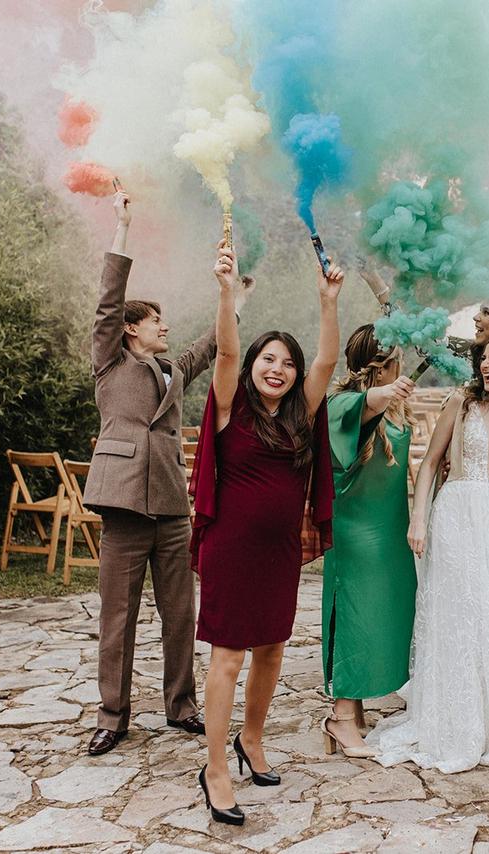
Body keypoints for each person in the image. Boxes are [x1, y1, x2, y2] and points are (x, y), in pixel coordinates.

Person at [83, 190, 247, 757]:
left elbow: (212, 348)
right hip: (124, 505)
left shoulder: (173, 369)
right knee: (118, 620)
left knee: (181, 615)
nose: (166, 330)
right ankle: (113, 716)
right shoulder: (110, 359)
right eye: (157, 324)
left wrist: (235, 296)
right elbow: (108, 301)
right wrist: (123, 226)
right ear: (132, 330)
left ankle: (181, 708)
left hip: (173, 507)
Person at [188, 244, 342, 824]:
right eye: (267, 359)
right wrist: (226, 292)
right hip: (231, 548)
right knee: (227, 658)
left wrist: (329, 303)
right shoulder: (231, 406)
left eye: (286, 362)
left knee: (273, 651)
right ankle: (216, 768)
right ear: (252, 365)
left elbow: (327, 362)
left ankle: (251, 740)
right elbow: (225, 347)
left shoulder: (302, 411)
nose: (276, 369)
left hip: (278, 554)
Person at [367, 332, 489, 773]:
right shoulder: (461, 403)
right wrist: (419, 518)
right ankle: (451, 722)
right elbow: (430, 463)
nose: (486, 365)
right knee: (456, 616)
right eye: (483, 359)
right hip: (455, 514)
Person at [321, 325, 417, 756]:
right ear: (384, 364)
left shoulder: (394, 406)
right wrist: (390, 389)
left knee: (383, 618)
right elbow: (366, 404)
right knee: (357, 618)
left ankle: (354, 710)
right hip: (357, 533)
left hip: (390, 529)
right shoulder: (342, 404)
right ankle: (340, 718)